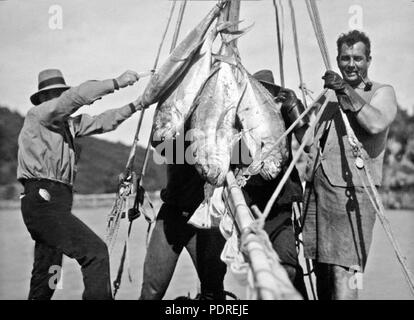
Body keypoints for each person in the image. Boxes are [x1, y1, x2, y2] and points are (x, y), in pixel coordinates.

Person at [18, 68, 144, 300]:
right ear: (44, 100)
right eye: (53, 95)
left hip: (54, 203)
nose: (58, 100)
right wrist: (116, 82)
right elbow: (73, 98)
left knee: (47, 273)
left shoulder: (68, 126)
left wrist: (136, 105)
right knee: (95, 254)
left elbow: (102, 122)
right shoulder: (39, 116)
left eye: (59, 94)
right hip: (43, 201)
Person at [301, 30, 398, 300]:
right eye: (345, 58)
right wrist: (291, 109)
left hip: (351, 192)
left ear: (369, 60)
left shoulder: (381, 92)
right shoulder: (328, 96)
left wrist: (344, 90)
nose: (351, 64)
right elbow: (306, 138)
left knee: (343, 271)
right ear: (338, 59)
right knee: (321, 268)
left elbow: (376, 123)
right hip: (318, 191)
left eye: (358, 58)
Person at [236, 69, 309, 299]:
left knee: (287, 267)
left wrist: (295, 111)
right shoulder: (242, 121)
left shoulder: (282, 116)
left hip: (280, 209)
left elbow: (308, 142)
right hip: (249, 211)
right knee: (261, 272)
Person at [139, 119, 227, 300]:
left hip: (208, 217)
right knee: (151, 293)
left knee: (214, 292)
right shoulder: (176, 126)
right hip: (172, 215)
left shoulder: (221, 127)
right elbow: (157, 141)